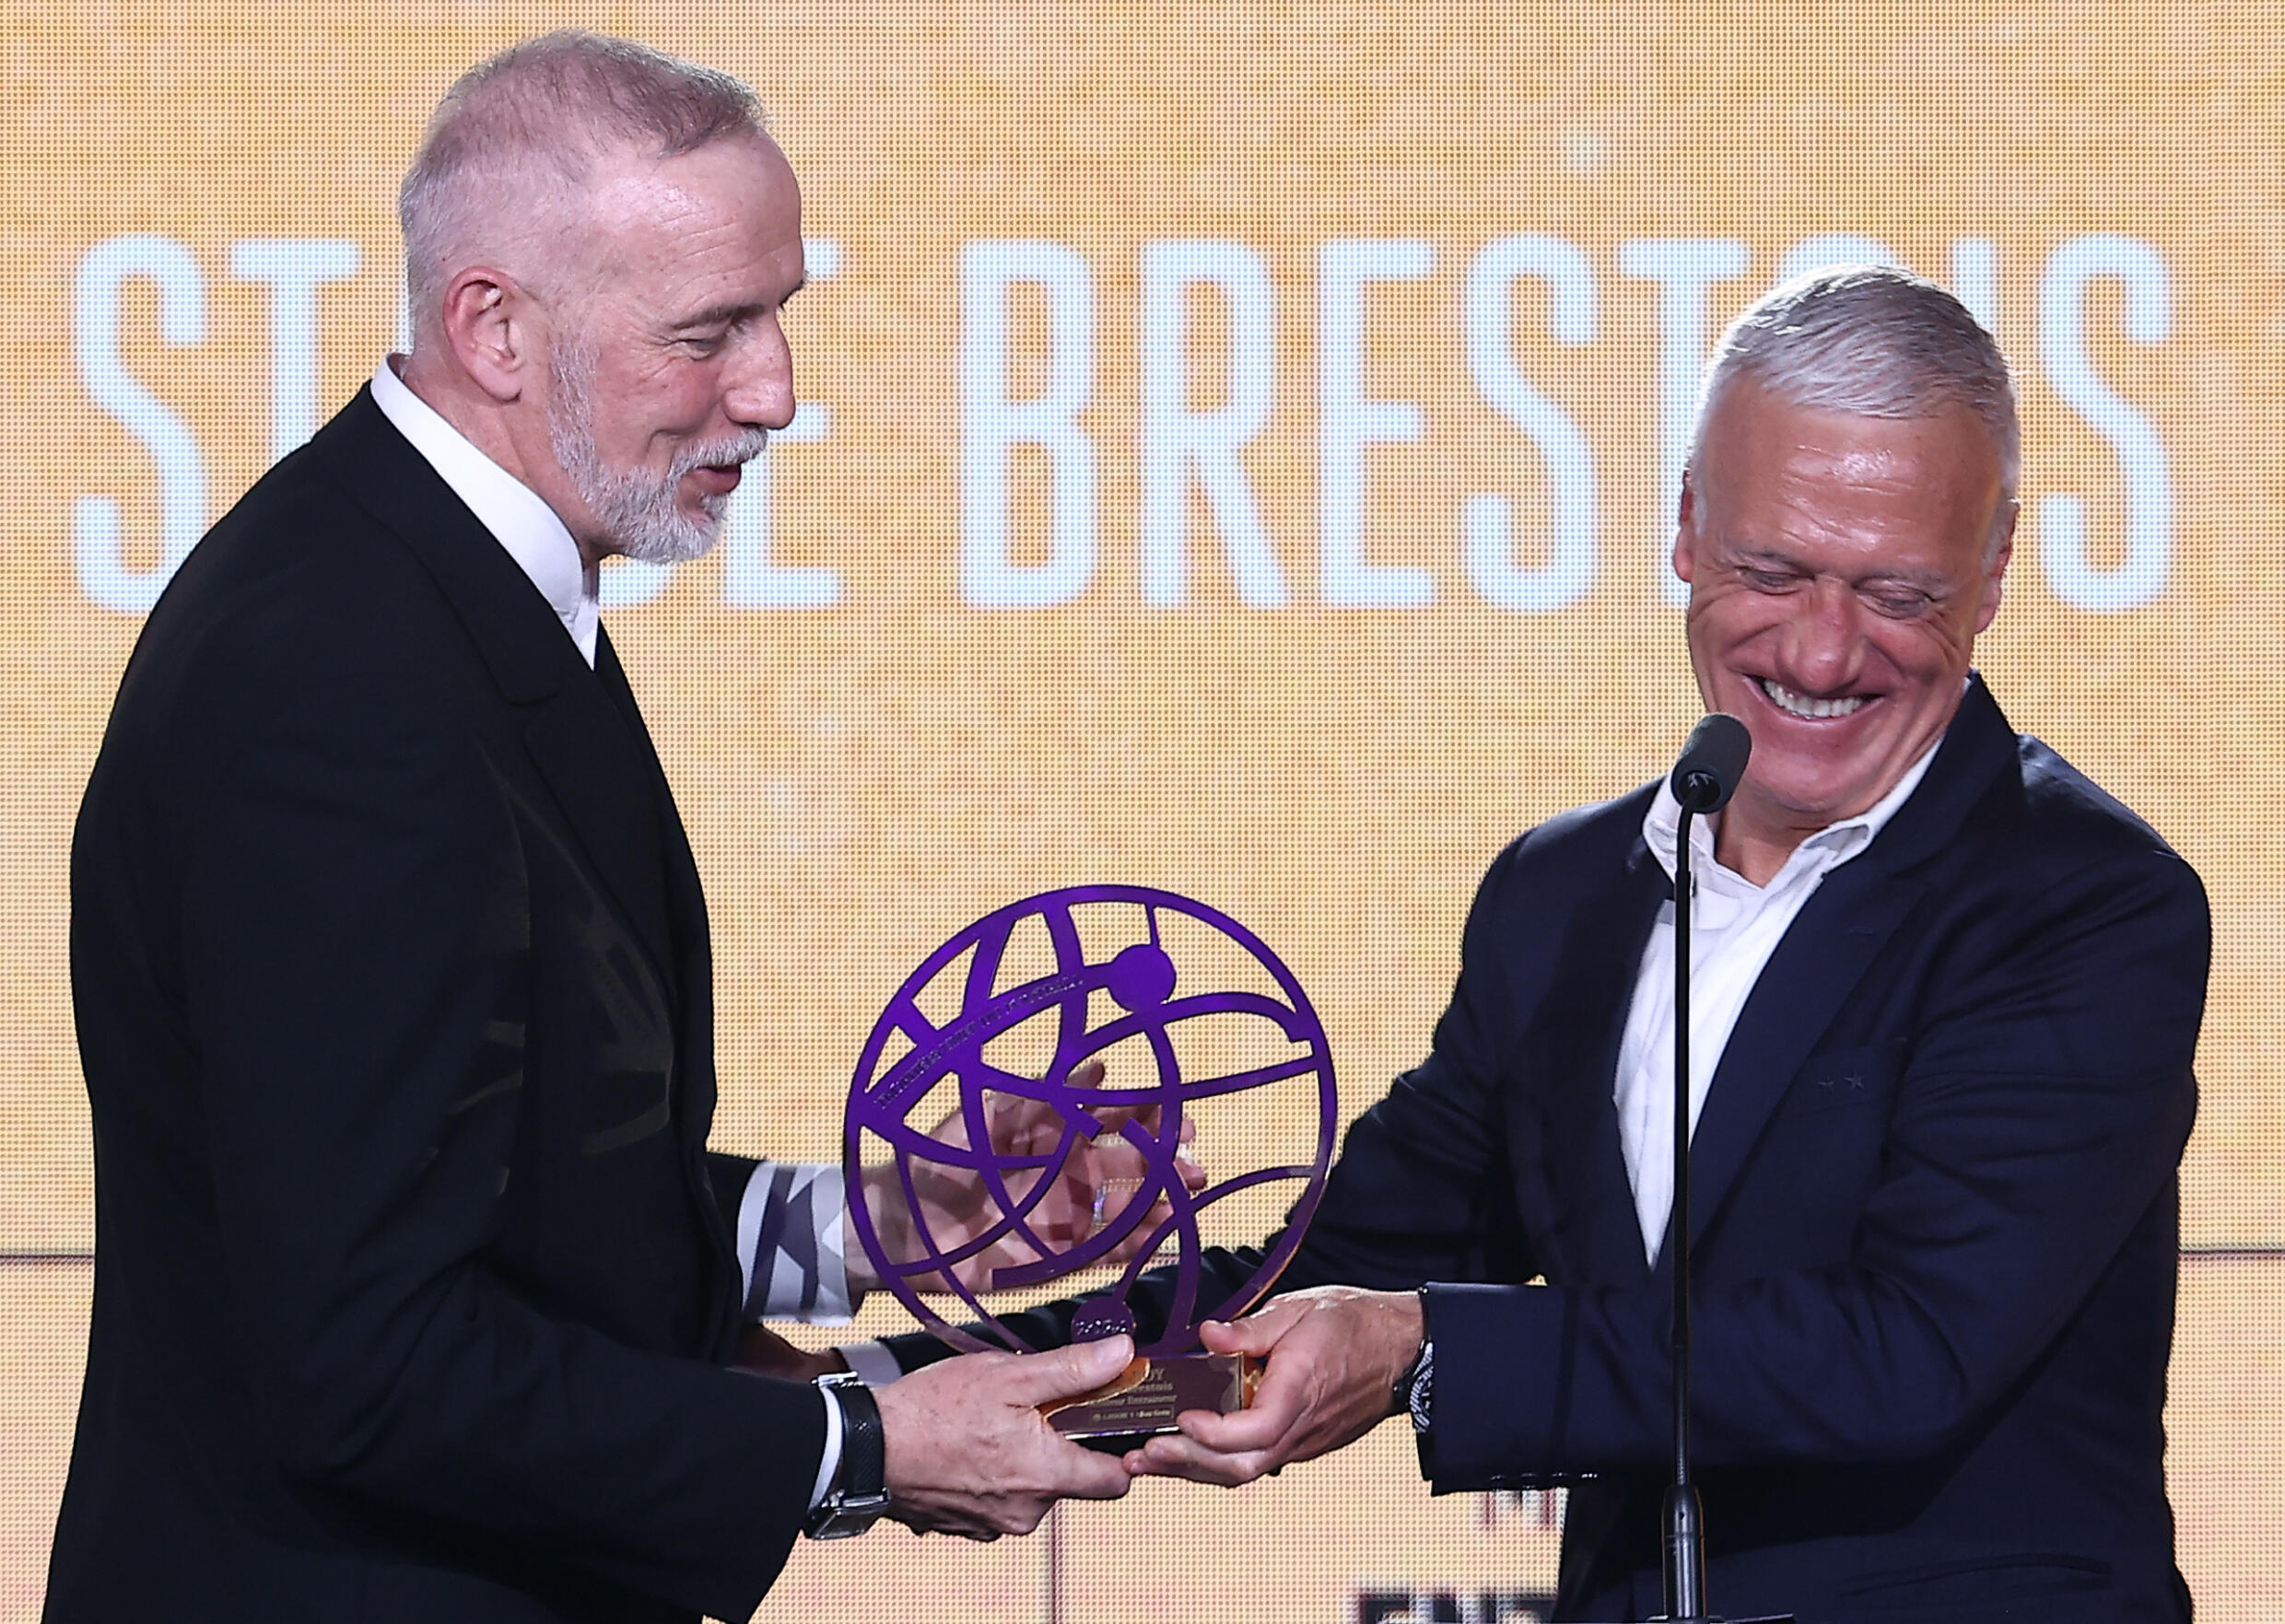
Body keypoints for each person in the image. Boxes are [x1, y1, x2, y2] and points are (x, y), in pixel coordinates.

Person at [843, 266, 2210, 1622]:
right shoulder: (1566, 897)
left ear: (1994, 573)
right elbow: (1311, 1281)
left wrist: (1428, 1351)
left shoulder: (2089, 905)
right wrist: (875, 1414)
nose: (1825, 647)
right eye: (1772, 569)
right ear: (1685, 524)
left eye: (1899, 594)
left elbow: (1904, 1351)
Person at [47, 33, 1142, 1624]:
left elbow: (505, 1184)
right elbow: (373, 1362)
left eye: (782, 314)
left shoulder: (451, 586)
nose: (776, 391)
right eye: (711, 333)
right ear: (492, 326)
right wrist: (856, 1443)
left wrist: (863, 1227)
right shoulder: (337, 679)